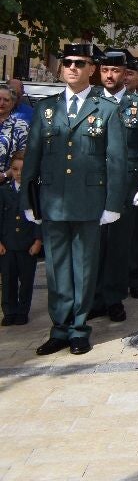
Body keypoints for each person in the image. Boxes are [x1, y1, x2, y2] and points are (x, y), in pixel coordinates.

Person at [21, 44, 127, 356]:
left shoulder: (105, 109)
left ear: (92, 69)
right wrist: (28, 201)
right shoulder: (47, 108)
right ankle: (60, 327)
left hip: (89, 201)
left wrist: (112, 204)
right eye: (67, 63)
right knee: (56, 267)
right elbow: (33, 158)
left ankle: (79, 328)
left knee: (83, 266)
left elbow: (116, 160)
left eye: (80, 63)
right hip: (53, 200)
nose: (72, 68)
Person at [92, 48, 138, 320]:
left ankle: (114, 297)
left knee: (120, 244)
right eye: (105, 70)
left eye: (116, 70)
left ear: (126, 74)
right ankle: (93, 297)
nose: (110, 75)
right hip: (93, 184)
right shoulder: (91, 101)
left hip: (128, 185)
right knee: (94, 244)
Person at [1, 83, 38, 327]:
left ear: (14, 102)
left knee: (22, 274)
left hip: (9, 184)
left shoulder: (19, 125)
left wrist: (7, 175)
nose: (1, 103)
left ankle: (19, 310)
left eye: (5, 99)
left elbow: (22, 155)